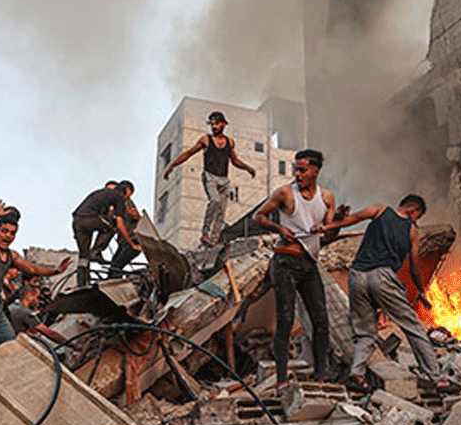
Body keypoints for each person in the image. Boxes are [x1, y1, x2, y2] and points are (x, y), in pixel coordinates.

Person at [317, 195, 443, 383]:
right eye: (418, 216)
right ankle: (437, 377)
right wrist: (420, 289)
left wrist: (325, 227)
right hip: (383, 276)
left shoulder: (378, 209)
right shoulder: (412, 230)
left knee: (365, 333)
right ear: (414, 210)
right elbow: (414, 267)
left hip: (357, 275)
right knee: (413, 327)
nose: (416, 220)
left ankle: (357, 372)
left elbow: (352, 219)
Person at [254, 149, 335, 384]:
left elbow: (328, 237)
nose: (297, 174)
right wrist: (279, 229)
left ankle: (321, 376)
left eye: (302, 170)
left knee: (321, 321)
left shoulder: (327, 198)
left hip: (310, 264)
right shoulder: (285, 194)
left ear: (316, 171)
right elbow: (258, 217)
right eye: (295, 169)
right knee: (285, 319)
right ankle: (281, 379)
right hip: (285, 262)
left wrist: (336, 223)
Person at [0, 201, 70, 359]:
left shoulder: (11, 255)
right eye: (4, 231)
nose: (8, 236)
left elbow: (32, 269)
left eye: (12, 233)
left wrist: (56, 271)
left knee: (11, 346)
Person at [162, 111, 257, 247]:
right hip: (210, 177)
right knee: (215, 200)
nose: (214, 127)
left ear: (223, 124)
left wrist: (248, 168)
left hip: (224, 180)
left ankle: (213, 240)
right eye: (212, 124)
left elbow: (234, 160)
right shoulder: (206, 140)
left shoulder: (230, 142)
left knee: (221, 212)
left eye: (217, 123)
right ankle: (205, 232)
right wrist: (172, 166)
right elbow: (189, 153)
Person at [71, 181, 140, 286]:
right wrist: (132, 244)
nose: (127, 199)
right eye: (128, 196)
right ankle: (96, 251)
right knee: (113, 225)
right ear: (125, 191)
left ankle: (81, 283)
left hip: (77, 222)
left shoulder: (101, 194)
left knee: (84, 257)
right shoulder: (118, 198)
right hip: (89, 219)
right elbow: (120, 226)